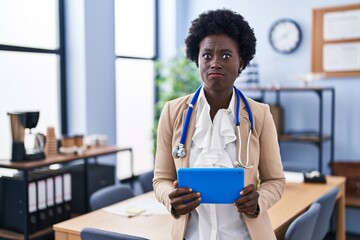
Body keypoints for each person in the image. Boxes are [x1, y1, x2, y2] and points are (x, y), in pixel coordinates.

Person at [153, 8, 285, 240]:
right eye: (206, 55)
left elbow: (275, 181)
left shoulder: (260, 115)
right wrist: (170, 198)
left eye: (225, 55)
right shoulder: (173, 112)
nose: (215, 63)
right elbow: (161, 178)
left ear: (241, 63)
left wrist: (258, 201)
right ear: (197, 60)